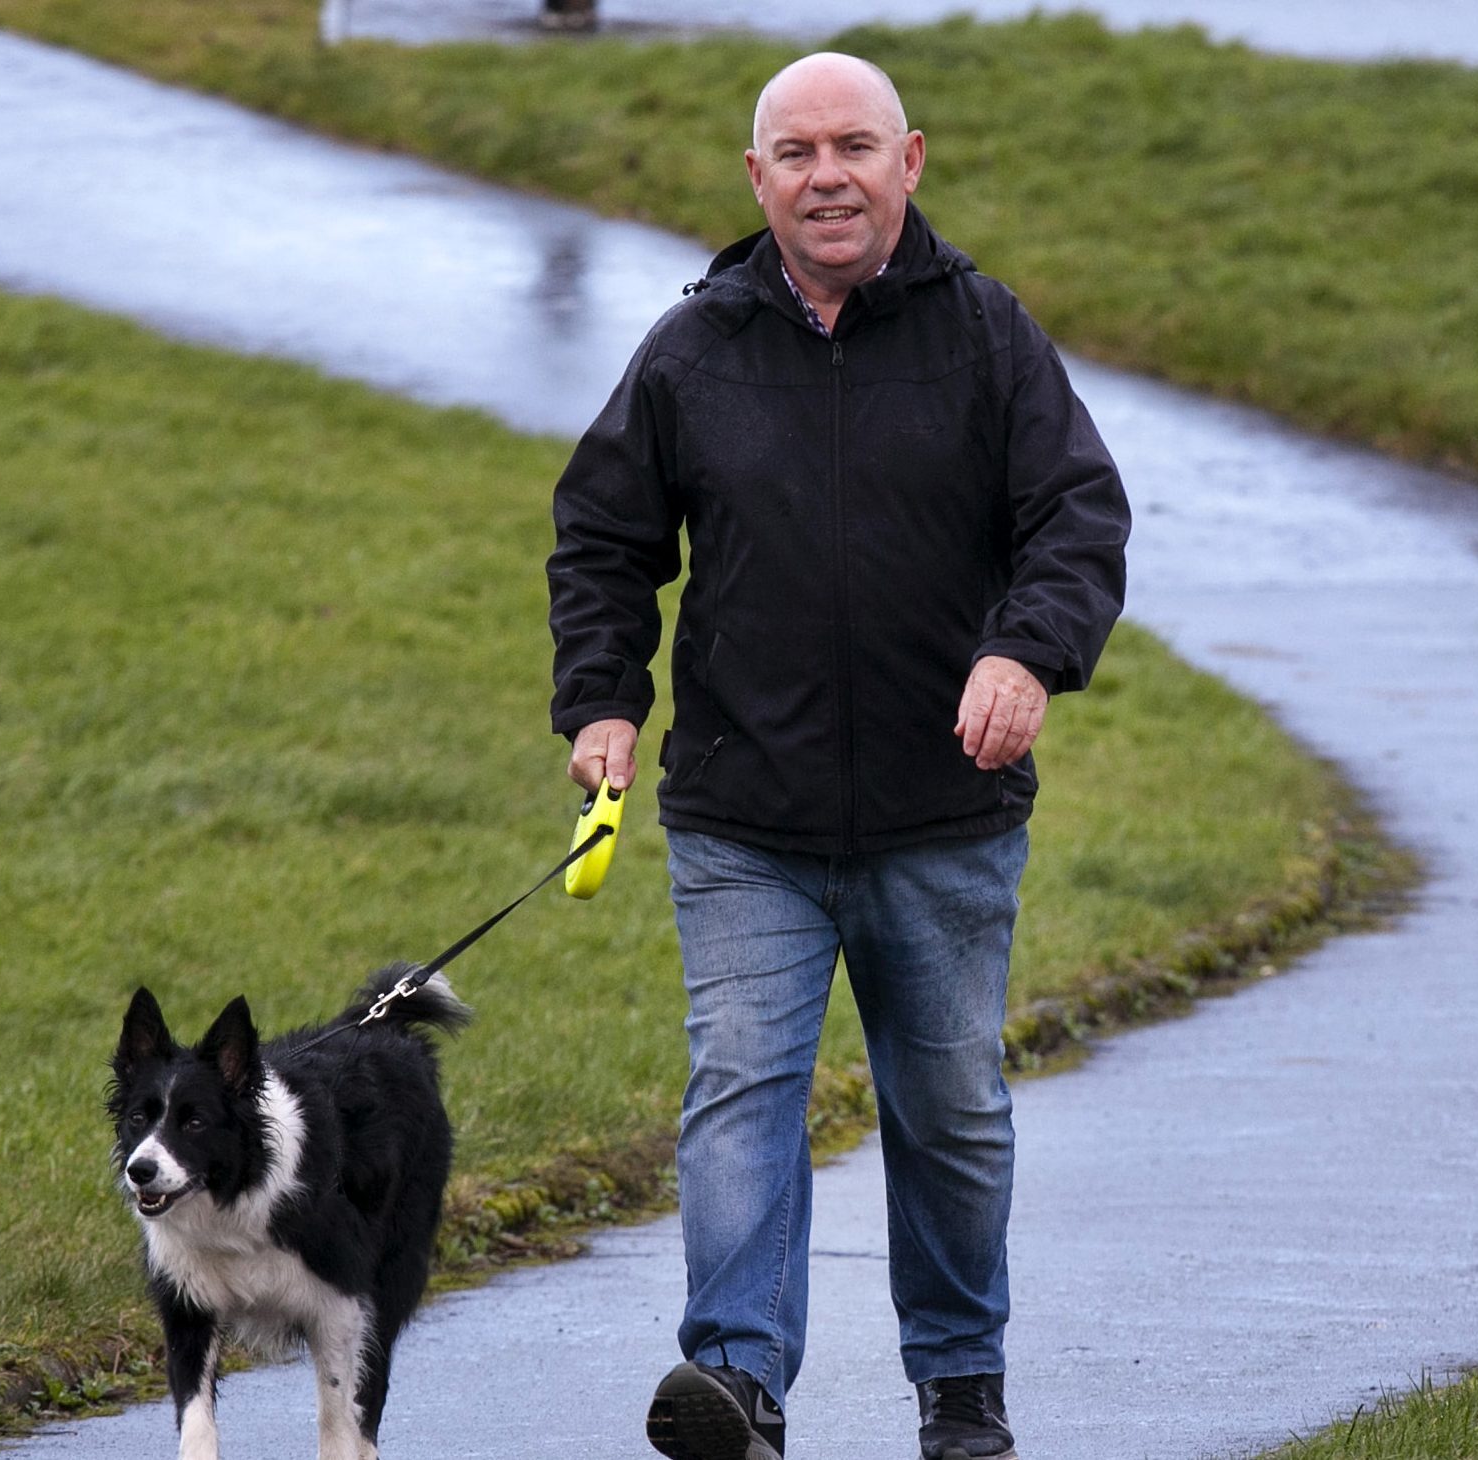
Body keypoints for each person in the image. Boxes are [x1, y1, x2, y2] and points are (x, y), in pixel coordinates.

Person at [546, 51, 1129, 1460]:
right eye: (796, 152)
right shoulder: (694, 351)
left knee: (951, 1112)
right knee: (741, 1095)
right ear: (758, 179)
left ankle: (961, 1385)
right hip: (747, 817)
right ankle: (738, 1388)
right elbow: (607, 540)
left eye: (853, 147)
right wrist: (602, 701)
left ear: (909, 161)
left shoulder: (986, 335)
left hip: (947, 817)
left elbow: (1077, 517)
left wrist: (1025, 652)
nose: (827, 176)